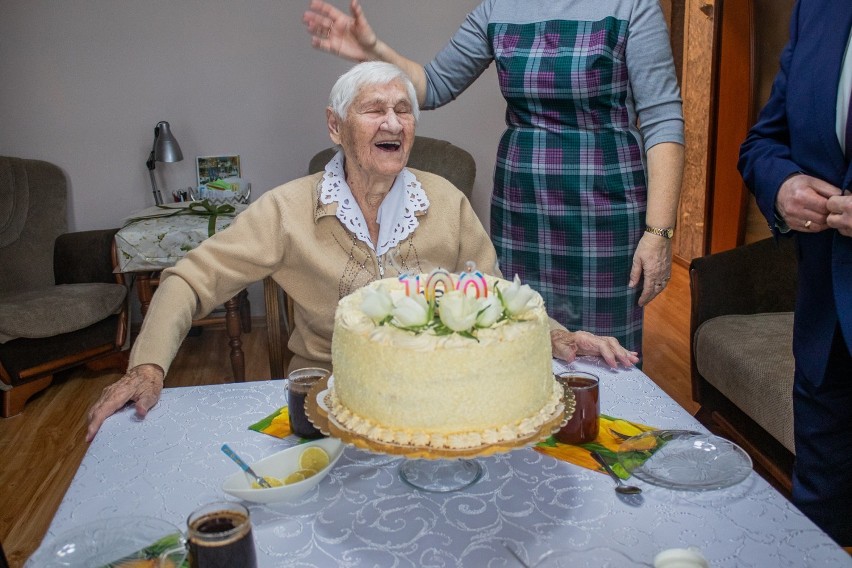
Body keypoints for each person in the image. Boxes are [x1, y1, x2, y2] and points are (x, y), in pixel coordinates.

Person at [86, 62, 638, 441]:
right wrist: (148, 366)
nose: (394, 123)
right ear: (336, 125)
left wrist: (560, 336)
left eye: (404, 110)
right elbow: (189, 279)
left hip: (443, 406)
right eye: (375, 110)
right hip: (328, 405)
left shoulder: (445, 201)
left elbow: (496, 300)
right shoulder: (286, 212)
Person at [302, 0, 685, 358]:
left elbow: (662, 120)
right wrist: (372, 47)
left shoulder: (632, 6)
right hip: (522, 209)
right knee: (521, 337)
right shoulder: (498, 7)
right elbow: (433, 85)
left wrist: (659, 233)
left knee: (606, 357)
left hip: (605, 213)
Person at [738, 0, 852, 545]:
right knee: (817, 532)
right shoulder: (819, 8)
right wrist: (782, 187)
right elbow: (764, 141)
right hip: (826, 329)